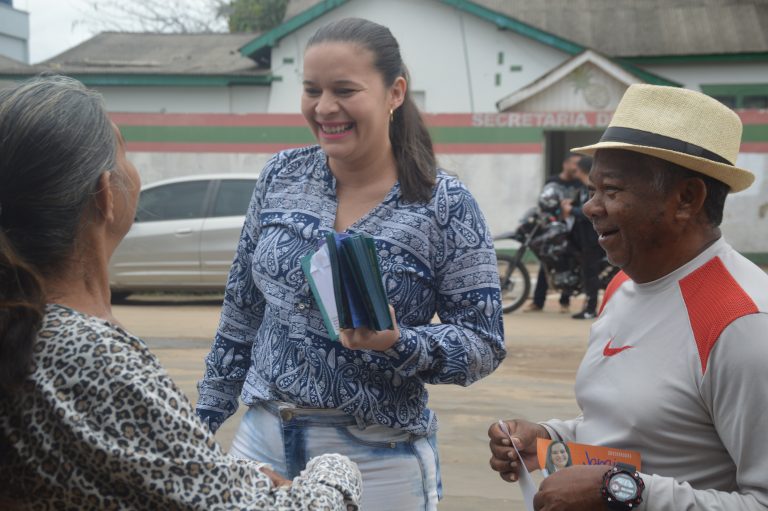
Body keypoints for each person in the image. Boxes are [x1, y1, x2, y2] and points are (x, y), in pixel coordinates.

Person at [0, 75, 362, 509]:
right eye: (124, 154)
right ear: (104, 195)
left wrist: (234, 474)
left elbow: (136, 472)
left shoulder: (27, 329)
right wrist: (336, 471)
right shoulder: (88, 357)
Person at [195, 17, 505, 511]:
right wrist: (205, 420)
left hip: (377, 459)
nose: (324, 108)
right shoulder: (281, 175)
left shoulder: (444, 205)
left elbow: (484, 343)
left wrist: (400, 342)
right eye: (312, 90)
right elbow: (241, 309)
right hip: (263, 439)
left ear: (395, 91)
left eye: (344, 90)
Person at [488, 84, 768, 510]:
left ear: (686, 199)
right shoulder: (623, 285)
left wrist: (620, 490)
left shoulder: (743, 323)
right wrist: (551, 439)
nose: (591, 207)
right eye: (592, 189)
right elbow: (631, 430)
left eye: (612, 190)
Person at [524, 152, 584, 313]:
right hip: (552, 229)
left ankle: (565, 302)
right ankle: (538, 302)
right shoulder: (552, 181)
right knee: (547, 263)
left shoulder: (580, 183)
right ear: (565, 164)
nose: (576, 167)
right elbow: (545, 202)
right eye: (574, 163)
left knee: (567, 263)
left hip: (572, 228)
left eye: (578, 165)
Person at [560, 155, 607, 319]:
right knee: (588, 273)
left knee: (591, 274)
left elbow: (590, 212)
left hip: (591, 238)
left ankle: (590, 309)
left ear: (580, 170)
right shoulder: (583, 188)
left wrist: (570, 210)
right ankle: (588, 306)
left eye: (576, 168)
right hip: (584, 238)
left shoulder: (590, 188)